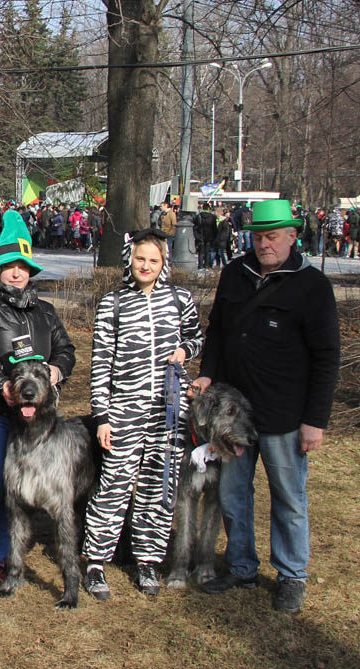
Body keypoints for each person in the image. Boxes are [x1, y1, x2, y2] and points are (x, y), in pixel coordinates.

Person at [190, 200, 339, 613]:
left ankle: (292, 574)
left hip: (285, 416)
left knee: (288, 497)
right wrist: (208, 373)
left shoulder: (312, 285)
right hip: (235, 414)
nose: (263, 244)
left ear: (293, 235)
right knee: (234, 494)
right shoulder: (236, 273)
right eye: (257, 236)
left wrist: (315, 421)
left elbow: (326, 357)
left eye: (272, 236)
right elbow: (217, 332)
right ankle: (241, 567)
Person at [0, 210, 76, 595]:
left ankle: (3, 556)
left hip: (32, 420)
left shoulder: (46, 311)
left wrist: (57, 370)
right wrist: (2, 385)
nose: (17, 273)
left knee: (14, 492)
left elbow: (66, 349)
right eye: (9, 266)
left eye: (23, 266)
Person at [83, 228, 203, 599]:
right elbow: (101, 363)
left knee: (158, 485)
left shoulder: (181, 299)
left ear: (164, 263)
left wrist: (185, 350)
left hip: (169, 411)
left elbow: (198, 338)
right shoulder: (113, 303)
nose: (146, 266)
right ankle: (95, 561)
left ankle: (148, 559)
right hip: (124, 409)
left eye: (153, 260)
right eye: (140, 259)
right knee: (114, 483)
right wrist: (102, 415)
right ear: (129, 260)